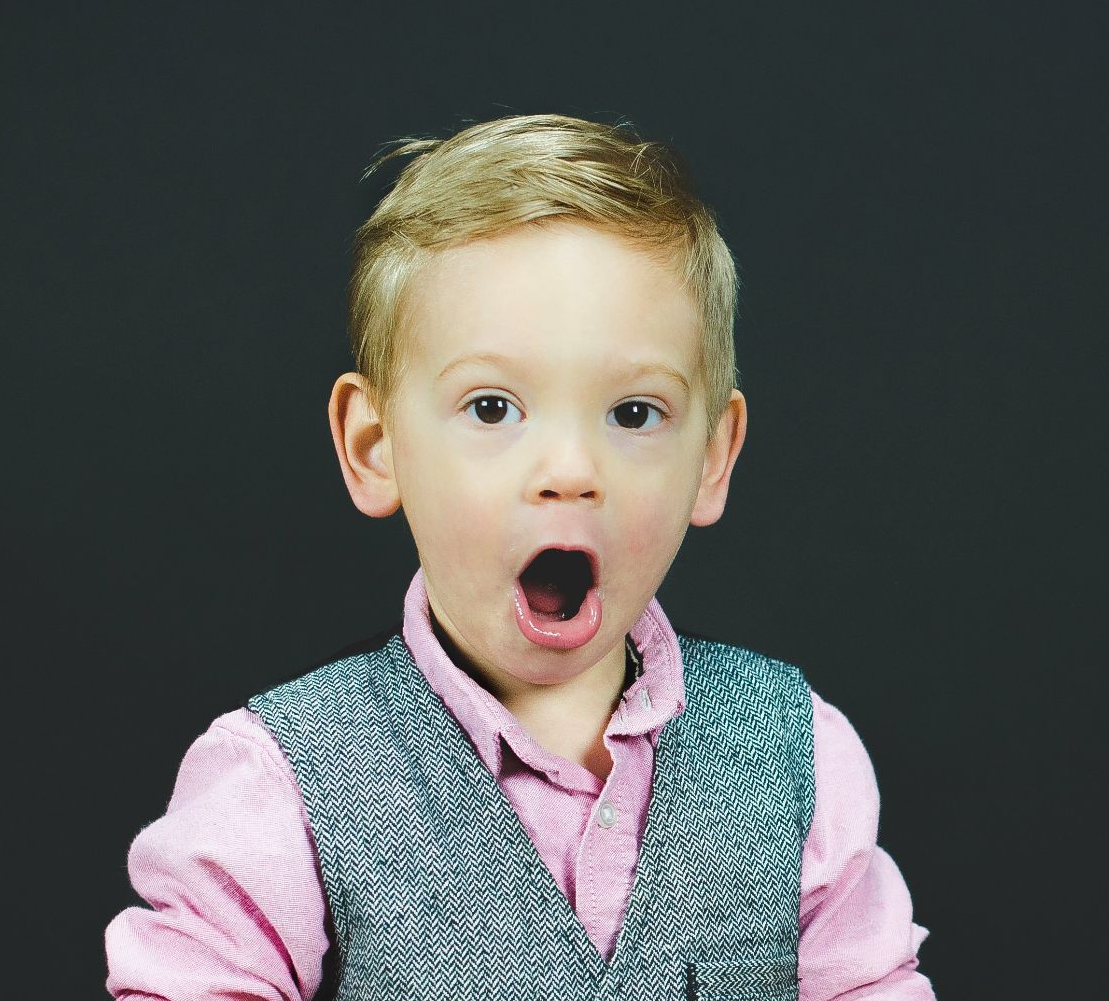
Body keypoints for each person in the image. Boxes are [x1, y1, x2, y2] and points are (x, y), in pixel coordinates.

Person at [104, 115, 933, 999]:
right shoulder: (280, 786)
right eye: (494, 408)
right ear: (375, 444)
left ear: (713, 459)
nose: (570, 472)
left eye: (634, 414)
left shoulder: (795, 753)